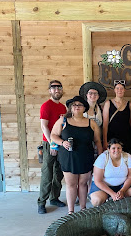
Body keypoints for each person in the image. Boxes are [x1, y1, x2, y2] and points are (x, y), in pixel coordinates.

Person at [51, 96, 103, 214]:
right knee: (71, 184)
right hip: (68, 157)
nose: (77, 107)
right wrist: (62, 142)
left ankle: (83, 209)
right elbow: (53, 135)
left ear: (84, 108)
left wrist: (100, 157)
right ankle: (71, 211)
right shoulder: (63, 120)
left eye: (80, 105)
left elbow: (97, 141)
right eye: (74, 105)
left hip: (86, 156)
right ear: (70, 108)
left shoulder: (91, 123)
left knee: (83, 183)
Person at [37, 80, 67, 214]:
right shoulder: (46, 106)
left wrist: (60, 143)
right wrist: (52, 144)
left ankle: (54, 198)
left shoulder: (63, 108)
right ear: (50, 90)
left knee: (58, 173)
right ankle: (41, 202)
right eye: (54, 88)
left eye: (59, 88)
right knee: (47, 174)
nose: (57, 90)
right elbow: (44, 126)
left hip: (60, 143)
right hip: (49, 144)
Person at [89, 138, 131, 207]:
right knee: (97, 200)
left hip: (122, 185)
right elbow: (98, 181)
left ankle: (120, 202)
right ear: (108, 149)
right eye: (113, 148)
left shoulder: (128, 157)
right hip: (104, 186)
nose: (116, 150)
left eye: (119, 148)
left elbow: (130, 177)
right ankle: (106, 199)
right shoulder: (102, 158)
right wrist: (112, 193)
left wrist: (122, 191)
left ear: (122, 149)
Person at [103, 80, 131, 155]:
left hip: (126, 138)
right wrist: (105, 141)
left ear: (124, 90)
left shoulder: (129, 105)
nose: (119, 90)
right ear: (114, 90)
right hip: (112, 138)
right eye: (117, 88)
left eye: (121, 88)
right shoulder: (108, 104)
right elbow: (105, 124)